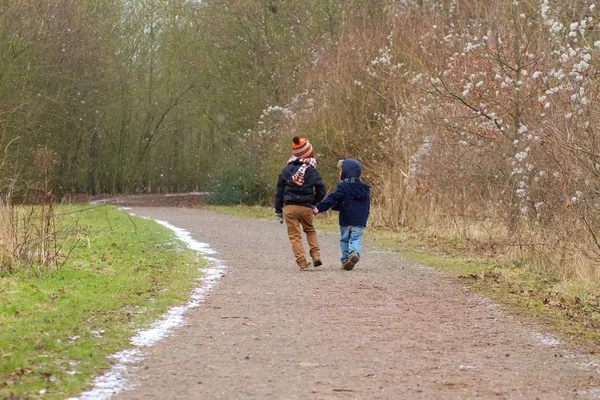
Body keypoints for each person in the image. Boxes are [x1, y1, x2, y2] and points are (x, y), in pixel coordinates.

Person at [274, 136, 327, 271]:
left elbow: (279, 191)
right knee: (310, 230)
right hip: (306, 207)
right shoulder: (311, 170)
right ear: (310, 152)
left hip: (290, 207)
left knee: (295, 236)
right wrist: (314, 202)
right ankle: (315, 255)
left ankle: (302, 261)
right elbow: (322, 189)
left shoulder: (287, 170)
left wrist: (278, 210)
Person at [314, 159, 370, 271]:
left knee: (345, 239)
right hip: (360, 220)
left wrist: (318, 208)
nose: (339, 173)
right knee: (356, 238)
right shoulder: (365, 188)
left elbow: (332, 198)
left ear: (345, 173)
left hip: (346, 218)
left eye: (340, 171)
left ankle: (345, 260)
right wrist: (365, 216)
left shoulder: (343, 186)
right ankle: (354, 253)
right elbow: (367, 205)